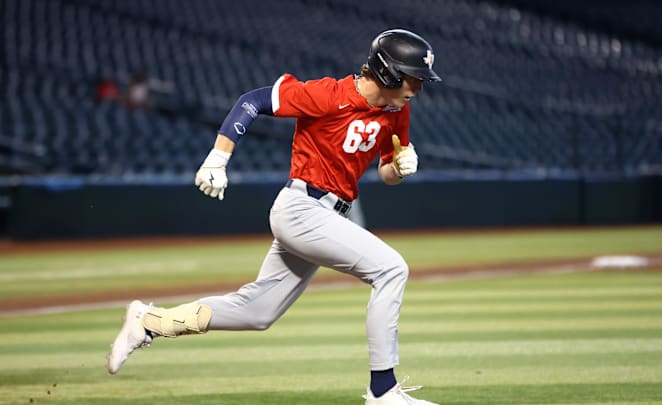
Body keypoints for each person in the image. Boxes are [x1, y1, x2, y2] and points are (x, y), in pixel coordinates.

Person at [107, 28, 442, 405]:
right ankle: (383, 391)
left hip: (329, 215)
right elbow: (253, 101)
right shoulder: (328, 95)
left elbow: (386, 172)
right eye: (413, 77)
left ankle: (148, 322)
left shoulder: (397, 110)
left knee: (256, 311)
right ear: (389, 73)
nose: (419, 87)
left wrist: (399, 168)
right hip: (302, 208)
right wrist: (218, 157)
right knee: (391, 269)